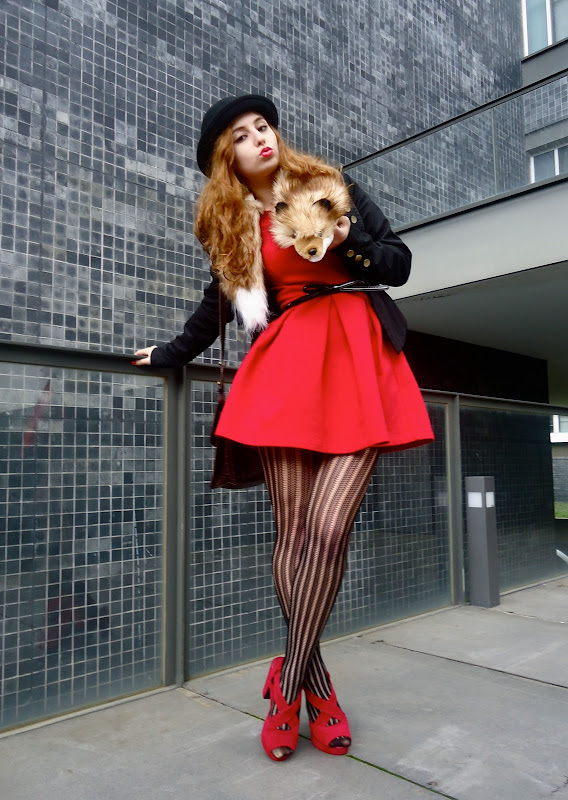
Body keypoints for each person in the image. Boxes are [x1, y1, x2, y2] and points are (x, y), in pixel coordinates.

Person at [134, 94, 434, 761]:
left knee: (329, 530)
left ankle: (287, 681)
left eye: (263, 127)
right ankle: (318, 690)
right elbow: (217, 305)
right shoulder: (235, 223)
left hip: (358, 355)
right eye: (242, 136)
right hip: (285, 367)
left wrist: (345, 234)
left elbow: (399, 262)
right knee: (293, 535)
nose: (259, 138)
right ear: (228, 159)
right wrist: (170, 354)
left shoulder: (330, 184)